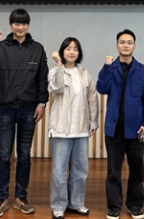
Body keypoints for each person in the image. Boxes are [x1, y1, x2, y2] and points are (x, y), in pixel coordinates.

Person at [0, 8, 49, 218]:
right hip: (6, 108)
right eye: (16, 23)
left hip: (29, 108)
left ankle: (21, 197)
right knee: (4, 155)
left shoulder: (37, 49)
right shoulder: (1, 46)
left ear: (28, 25)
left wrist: (42, 103)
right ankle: (1, 199)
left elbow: (42, 78)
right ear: (11, 25)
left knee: (24, 155)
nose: (20, 27)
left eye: (23, 23)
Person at [97, 29, 144, 219]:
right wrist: (106, 67)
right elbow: (102, 88)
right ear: (117, 45)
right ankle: (114, 207)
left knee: (137, 170)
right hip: (114, 129)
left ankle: (135, 205)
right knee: (113, 171)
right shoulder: (110, 67)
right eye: (122, 42)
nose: (126, 45)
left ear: (134, 46)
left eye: (129, 42)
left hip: (136, 128)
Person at [48, 37, 99, 219]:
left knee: (80, 170)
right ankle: (58, 205)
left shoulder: (84, 73)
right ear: (62, 51)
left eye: (75, 49)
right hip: (60, 129)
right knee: (59, 171)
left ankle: (76, 203)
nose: (72, 52)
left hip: (81, 129)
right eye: (68, 48)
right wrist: (59, 65)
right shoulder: (55, 71)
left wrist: (93, 122)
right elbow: (57, 88)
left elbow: (92, 98)